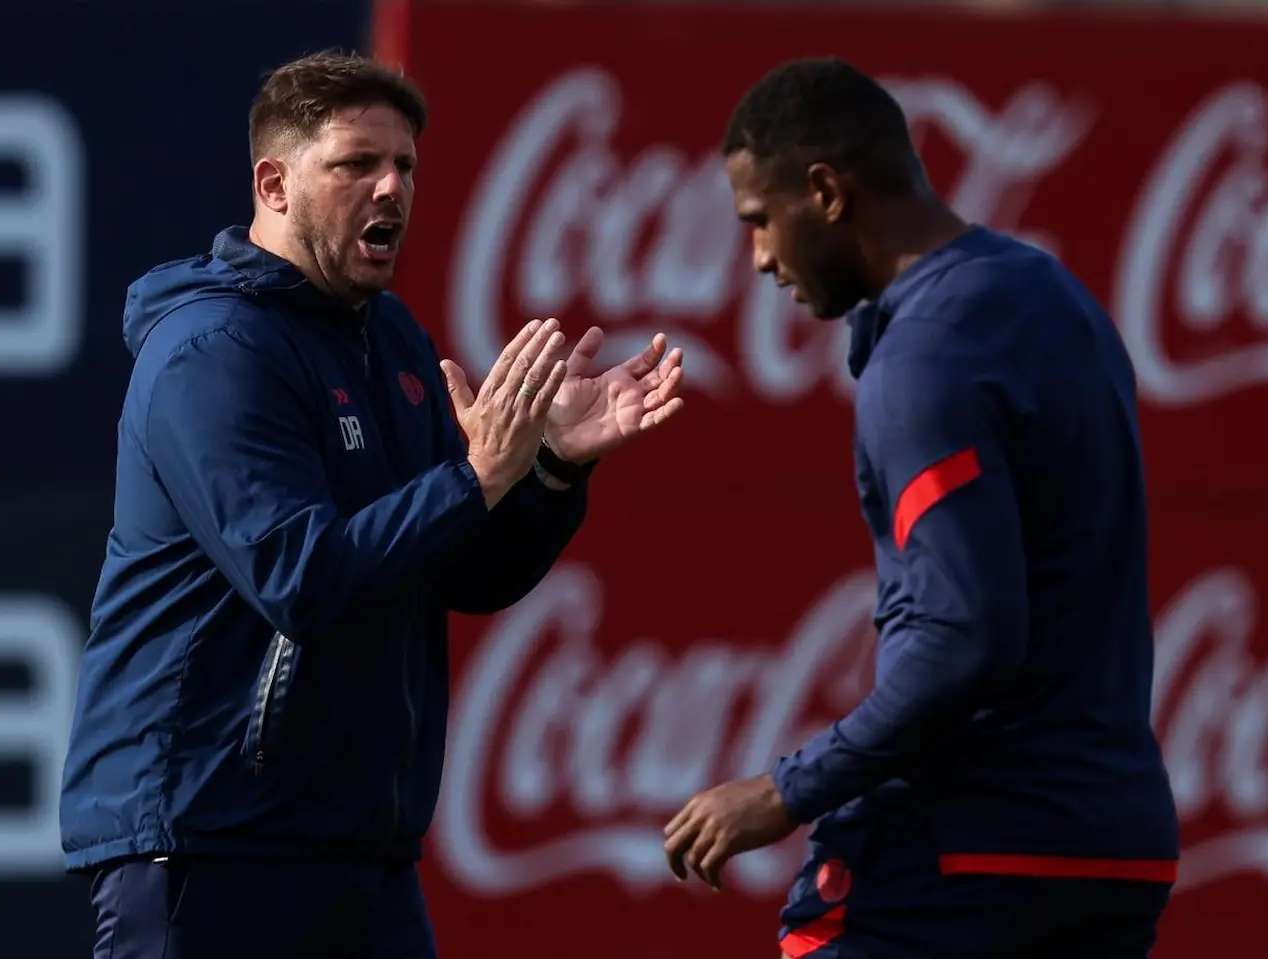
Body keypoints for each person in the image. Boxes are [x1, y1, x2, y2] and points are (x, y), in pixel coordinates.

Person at [59, 50, 684, 959]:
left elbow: (465, 570)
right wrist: (476, 476)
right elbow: (301, 578)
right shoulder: (213, 350)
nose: (392, 188)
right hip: (208, 841)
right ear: (274, 185)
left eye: (405, 166)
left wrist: (548, 467)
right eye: (357, 164)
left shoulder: (387, 338)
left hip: (359, 851)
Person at [662, 58, 1178, 958]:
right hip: (1113, 848)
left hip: (967, 847)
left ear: (825, 192)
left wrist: (785, 789)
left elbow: (966, 639)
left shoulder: (926, 355)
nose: (760, 258)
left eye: (759, 220)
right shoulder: (1054, 297)